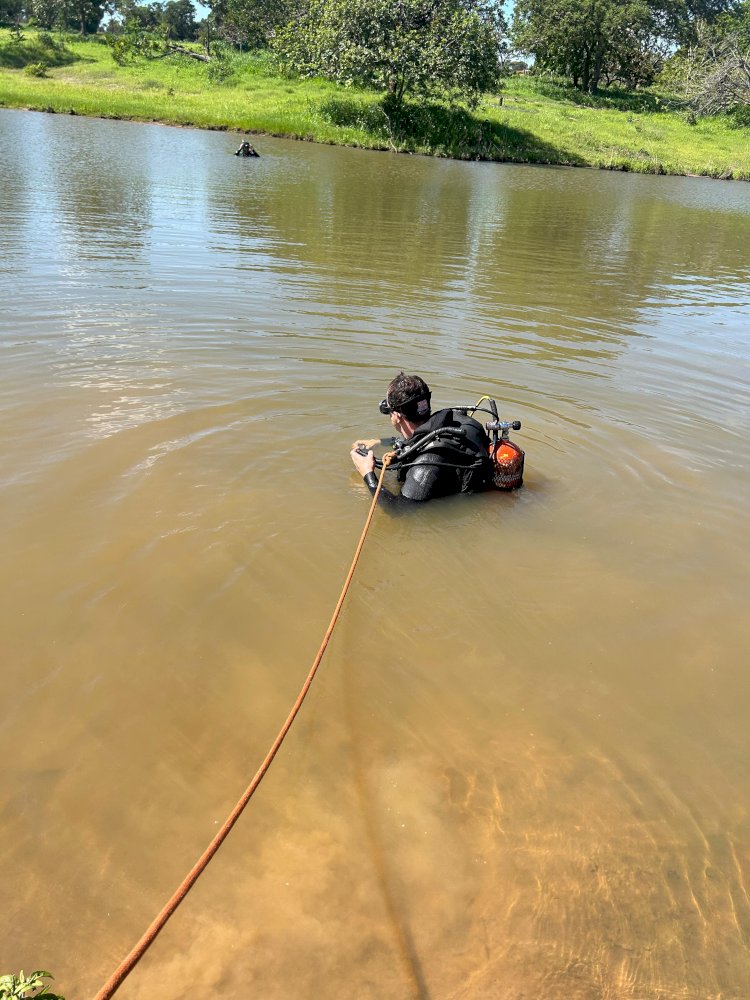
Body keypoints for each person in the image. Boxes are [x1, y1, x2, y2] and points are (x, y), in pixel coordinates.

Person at [350, 373, 493, 503]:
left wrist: (368, 475)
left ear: (397, 415)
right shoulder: (449, 421)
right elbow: (414, 441)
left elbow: (400, 511)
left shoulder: (426, 464)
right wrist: (380, 442)